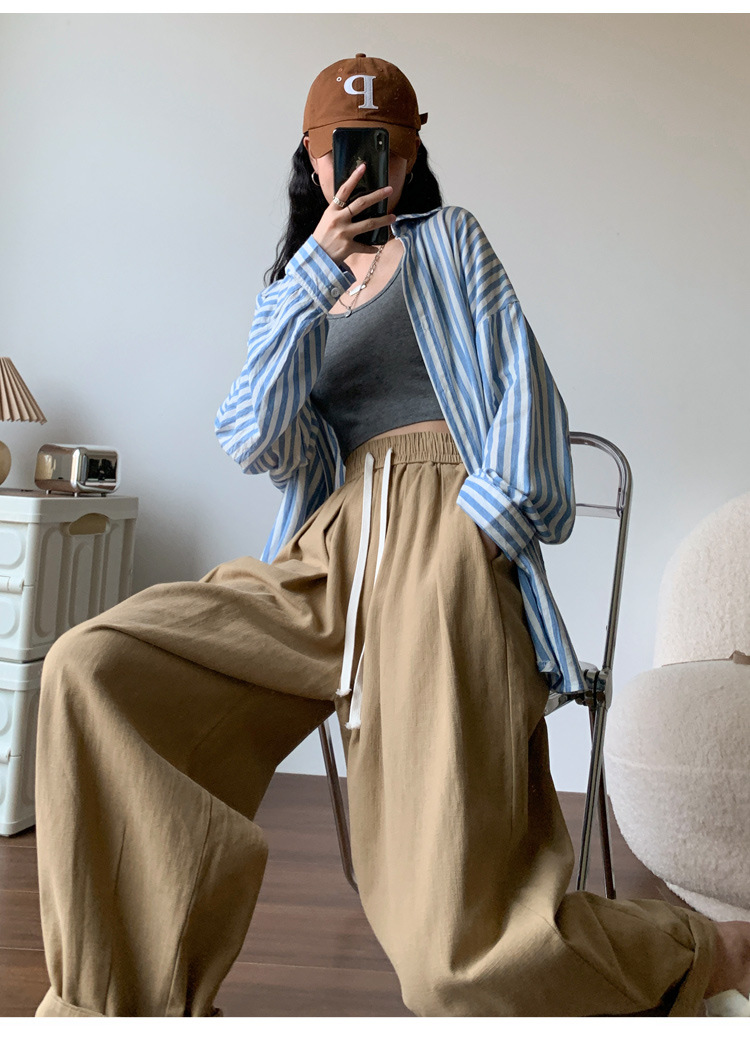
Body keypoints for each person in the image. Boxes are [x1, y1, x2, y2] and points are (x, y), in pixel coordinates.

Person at [33, 53, 749, 1018]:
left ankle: (703, 952)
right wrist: (311, 276)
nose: (367, 165)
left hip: (445, 541)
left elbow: (524, 395)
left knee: (452, 961)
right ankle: (117, 1011)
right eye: (344, 148)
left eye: (389, 146)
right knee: (93, 670)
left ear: (412, 154)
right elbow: (253, 436)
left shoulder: (450, 241)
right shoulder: (298, 284)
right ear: (312, 156)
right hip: (327, 555)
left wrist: (473, 538)